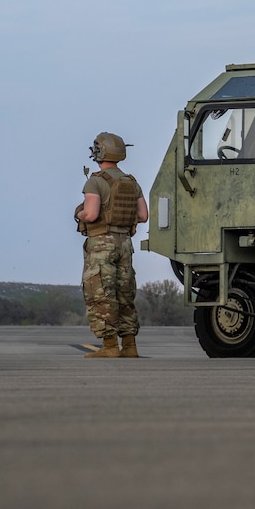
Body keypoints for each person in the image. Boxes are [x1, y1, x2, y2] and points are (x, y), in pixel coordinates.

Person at [76, 132, 147, 358]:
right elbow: (143, 215)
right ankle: (129, 346)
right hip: (125, 243)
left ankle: (109, 347)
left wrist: (79, 213)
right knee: (125, 293)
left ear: (99, 152)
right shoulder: (131, 182)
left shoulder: (95, 181)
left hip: (101, 244)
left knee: (101, 293)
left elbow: (91, 213)